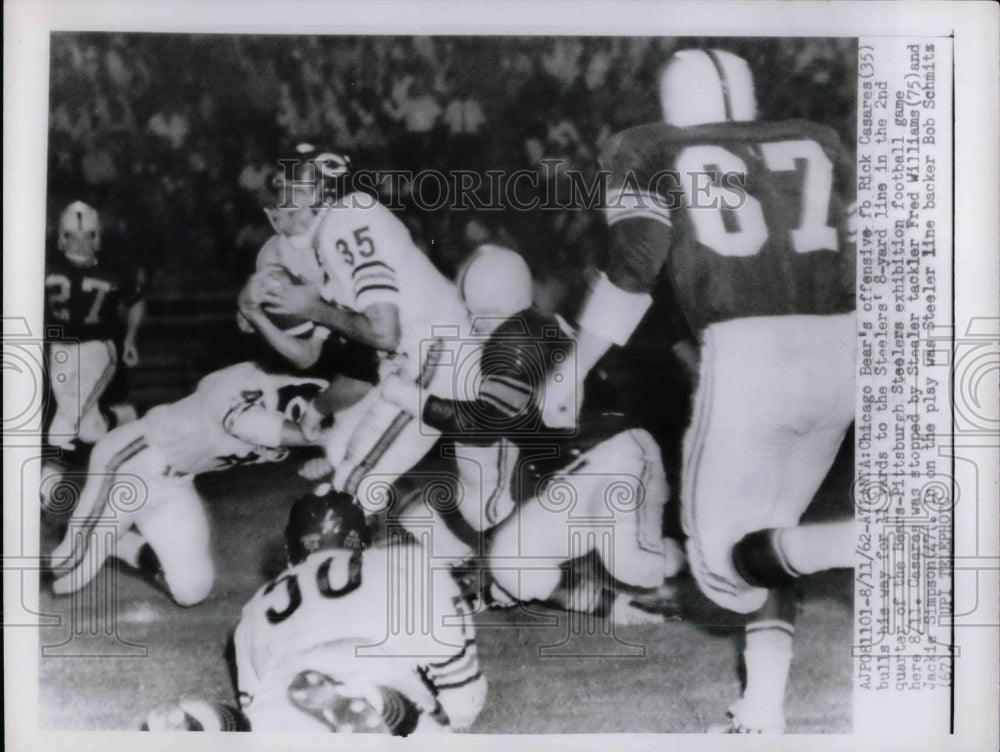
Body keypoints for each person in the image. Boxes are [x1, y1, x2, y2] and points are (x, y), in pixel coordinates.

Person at [541, 49, 858, 732]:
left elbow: (634, 270)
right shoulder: (816, 140)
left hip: (752, 351)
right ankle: (762, 712)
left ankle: (862, 544)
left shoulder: (644, 147)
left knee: (720, 568)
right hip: (845, 346)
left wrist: (570, 367)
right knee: (771, 536)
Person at [381, 306, 685, 620]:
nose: (475, 321)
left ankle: (687, 557)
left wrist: (402, 394)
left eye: (479, 310)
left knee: (632, 564)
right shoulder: (520, 334)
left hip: (620, 459)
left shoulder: (529, 332)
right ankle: (615, 606)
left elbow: (481, 425)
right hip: (571, 480)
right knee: (513, 559)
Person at [255, 143, 477, 500]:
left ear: (321, 189)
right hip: (431, 354)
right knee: (482, 501)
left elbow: (384, 333)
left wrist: (314, 309)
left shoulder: (344, 222)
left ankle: (338, 557)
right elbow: (315, 353)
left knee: (351, 487)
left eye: (291, 191)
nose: (283, 203)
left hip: (437, 354)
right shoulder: (342, 224)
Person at [47, 362, 328, 606]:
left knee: (191, 589)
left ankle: (117, 542)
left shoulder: (299, 397)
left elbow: (342, 434)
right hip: (132, 462)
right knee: (68, 567)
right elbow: (248, 424)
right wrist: (320, 439)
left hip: (175, 485)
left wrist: (329, 460)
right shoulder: (243, 382)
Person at [231, 492, 486, 733]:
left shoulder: (255, 604)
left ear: (291, 553)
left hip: (283, 690)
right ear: (366, 539)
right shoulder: (409, 562)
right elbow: (461, 695)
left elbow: (250, 700)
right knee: (435, 729)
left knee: (259, 729)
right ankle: (387, 708)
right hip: (373, 670)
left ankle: (209, 723)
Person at [44, 200, 147, 452]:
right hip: (60, 348)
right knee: (91, 431)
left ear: (97, 238)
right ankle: (125, 416)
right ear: (61, 238)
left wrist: (131, 338)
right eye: (72, 236)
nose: (80, 243)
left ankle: (53, 463)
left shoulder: (116, 267)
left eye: (87, 236)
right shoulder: (44, 263)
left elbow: (136, 301)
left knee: (64, 424)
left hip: (98, 347)